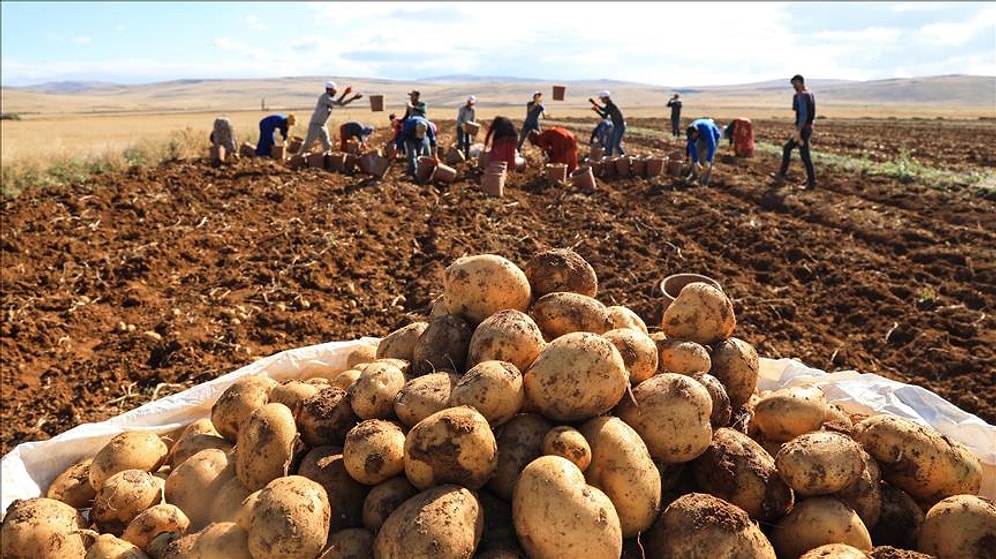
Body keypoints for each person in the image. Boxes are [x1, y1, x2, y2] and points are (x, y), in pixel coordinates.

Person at [772, 74, 817, 190]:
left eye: (795, 84)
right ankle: (782, 174)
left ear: (800, 82)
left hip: (803, 129)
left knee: (805, 155)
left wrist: (798, 131)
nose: (793, 86)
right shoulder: (810, 94)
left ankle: (812, 183)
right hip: (807, 127)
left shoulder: (801, 96)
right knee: (787, 148)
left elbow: (803, 115)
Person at [298, 81, 361, 154]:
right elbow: (337, 103)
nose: (335, 93)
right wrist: (345, 94)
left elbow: (340, 104)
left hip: (323, 125)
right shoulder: (324, 97)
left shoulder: (331, 98)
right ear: (328, 90)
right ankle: (298, 157)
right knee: (308, 143)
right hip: (315, 125)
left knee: (327, 144)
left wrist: (353, 98)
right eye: (334, 91)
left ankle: (328, 160)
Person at [399, 114, 438, 180]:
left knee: (427, 153)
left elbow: (433, 142)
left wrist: (435, 156)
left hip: (423, 137)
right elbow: (401, 140)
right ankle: (412, 173)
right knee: (412, 154)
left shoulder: (428, 126)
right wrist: (397, 151)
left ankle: (426, 173)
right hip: (410, 138)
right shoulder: (408, 127)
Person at [685, 118, 722, 186]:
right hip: (701, 139)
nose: (693, 137)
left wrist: (708, 160)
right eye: (692, 136)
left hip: (714, 138)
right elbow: (691, 145)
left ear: (697, 132)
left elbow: (712, 144)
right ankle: (694, 177)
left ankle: (704, 182)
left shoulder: (707, 128)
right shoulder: (690, 132)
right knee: (696, 155)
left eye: (694, 136)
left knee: (706, 160)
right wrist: (696, 161)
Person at [591, 90, 626, 156]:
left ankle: (625, 158)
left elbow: (604, 116)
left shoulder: (611, 106)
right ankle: (607, 159)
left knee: (616, 144)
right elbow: (604, 109)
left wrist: (596, 110)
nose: (601, 101)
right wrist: (595, 104)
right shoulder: (609, 105)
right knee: (608, 144)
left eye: (602, 99)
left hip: (620, 126)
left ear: (605, 98)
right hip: (616, 126)